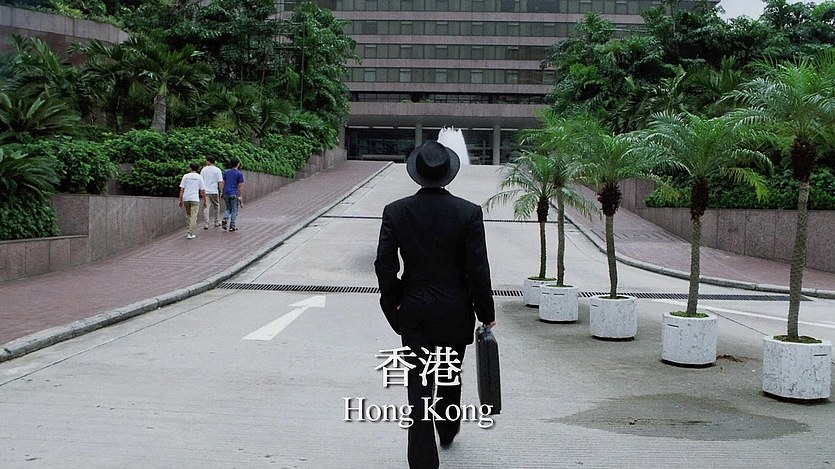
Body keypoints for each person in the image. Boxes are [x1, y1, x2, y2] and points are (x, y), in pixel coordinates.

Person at [374, 141, 496, 469]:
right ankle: (448, 427)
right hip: (456, 309)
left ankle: (422, 459)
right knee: (449, 371)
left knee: (418, 382)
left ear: (417, 173)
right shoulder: (468, 212)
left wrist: (394, 304)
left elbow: (384, 265)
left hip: (415, 309)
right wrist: (486, 313)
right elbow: (478, 268)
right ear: (447, 174)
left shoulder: (396, 211)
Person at [179, 162, 207, 239]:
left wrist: (180, 200)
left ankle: (189, 229)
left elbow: (182, 189)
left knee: (188, 215)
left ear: (191, 168)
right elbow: (203, 190)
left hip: (186, 198)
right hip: (195, 198)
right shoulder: (199, 177)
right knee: (194, 216)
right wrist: (205, 201)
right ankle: (190, 233)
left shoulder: (185, 176)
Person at [221, 157, 245, 232]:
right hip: (234, 193)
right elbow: (240, 185)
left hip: (226, 193)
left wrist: (222, 192)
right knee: (234, 210)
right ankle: (232, 225)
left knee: (228, 208)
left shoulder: (226, 172)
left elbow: (223, 183)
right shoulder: (239, 174)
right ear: (238, 164)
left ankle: (225, 218)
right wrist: (240, 196)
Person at [200, 156, 224, 229]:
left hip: (206, 191)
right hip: (214, 191)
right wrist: (221, 191)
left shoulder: (204, 169)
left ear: (209, 161)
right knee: (216, 206)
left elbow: (201, 180)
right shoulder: (217, 170)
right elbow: (220, 182)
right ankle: (216, 221)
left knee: (206, 207)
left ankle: (206, 223)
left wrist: (201, 190)